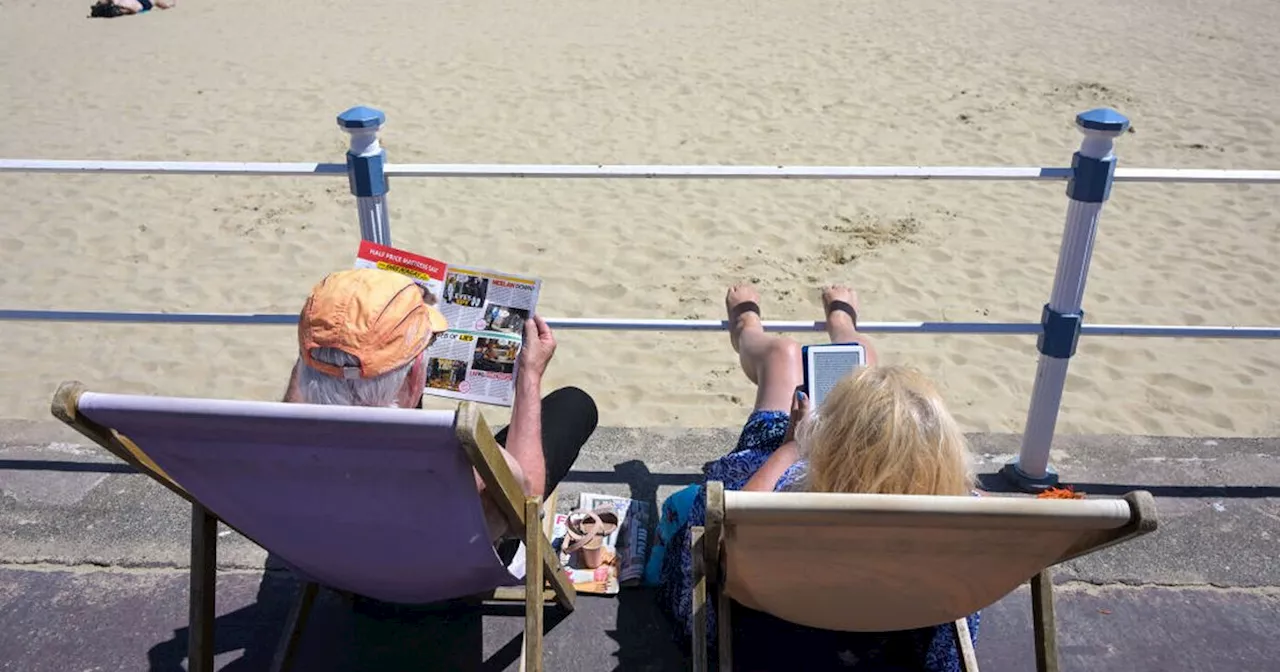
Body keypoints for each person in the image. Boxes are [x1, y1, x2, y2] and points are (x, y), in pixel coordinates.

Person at [657, 283, 978, 671]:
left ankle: (750, 328)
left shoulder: (768, 497)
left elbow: (710, 546)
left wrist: (791, 448)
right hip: (899, 636)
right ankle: (842, 324)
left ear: (831, 447)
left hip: (769, 637)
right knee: (865, 366)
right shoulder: (971, 527)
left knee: (783, 356)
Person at [282, 268, 598, 543]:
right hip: (444, 579)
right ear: (412, 376)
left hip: (344, 565)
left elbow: (298, 399)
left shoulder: (276, 443)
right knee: (574, 404)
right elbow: (526, 506)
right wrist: (529, 375)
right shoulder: (454, 456)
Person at [89, 0, 176, 18]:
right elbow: (134, 10)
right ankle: (170, 5)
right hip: (138, 4)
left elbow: (133, 10)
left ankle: (170, 5)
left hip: (137, 4)